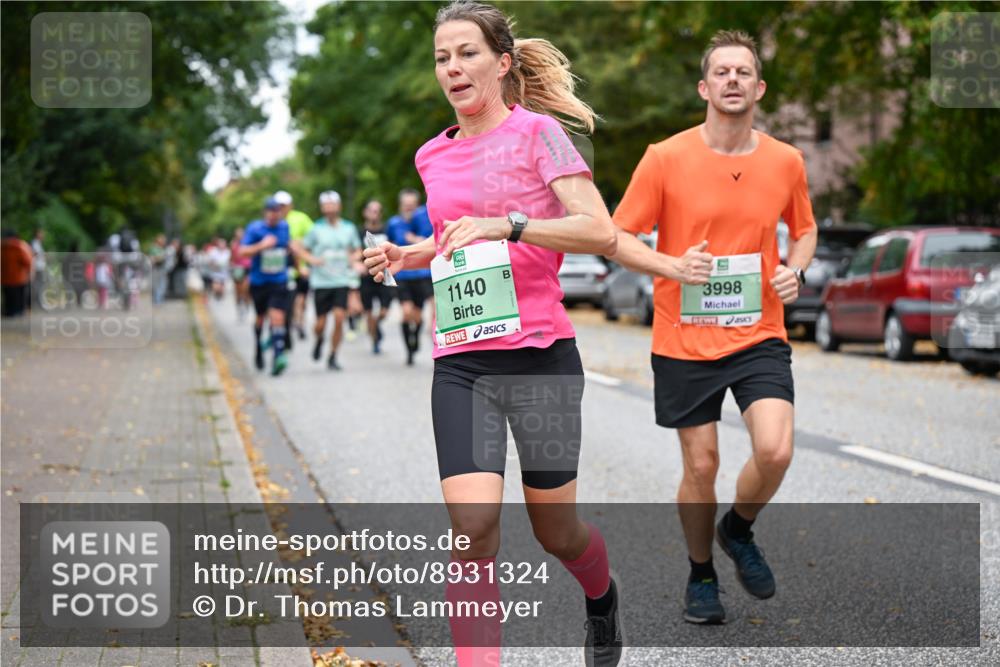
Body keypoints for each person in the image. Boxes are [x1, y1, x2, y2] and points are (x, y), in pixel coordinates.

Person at [364, 2, 622, 664]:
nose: (452, 67)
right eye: (442, 57)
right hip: (464, 365)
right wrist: (409, 254)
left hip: (541, 357)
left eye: (467, 53)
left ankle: (601, 597)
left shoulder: (540, 135)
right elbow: (458, 237)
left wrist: (510, 223)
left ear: (502, 63)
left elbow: (599, 230)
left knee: (557, 532)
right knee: (473, 529)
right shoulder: (431, 155)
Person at [608, 30, 818, 625]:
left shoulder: (786, 160)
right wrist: (671, 265)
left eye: (742, 72)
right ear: (704, 87)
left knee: (775, 450)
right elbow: (618, 238)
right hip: (683, 335)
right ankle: (701, 572)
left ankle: (738, 528)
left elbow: (804, 230)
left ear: (758, 87)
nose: (732, 80)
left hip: (758, 332)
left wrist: (796, 272)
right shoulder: (665, 157)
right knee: (701, 466)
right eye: (721, 71)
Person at [293, 191, 362, 370]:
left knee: (340, 318)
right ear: (322, 208)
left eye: (333, 204)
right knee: (320, 323)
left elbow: (357, 250)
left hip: (341, 280)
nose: (330, 208)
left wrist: (354, 259)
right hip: (321, 281)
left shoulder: (348, 227)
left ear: (339, 206)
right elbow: (301, 249)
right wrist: (311, 261)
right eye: (326, 205)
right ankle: (319, 339)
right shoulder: (316, 229)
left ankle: (332, 355)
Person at [240, 197, 295, 376]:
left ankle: (278, 357)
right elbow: (242, 251)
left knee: (277, 316)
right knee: (261, 318)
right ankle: (258, 345)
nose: (274, 214)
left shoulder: (284, 227)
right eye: (271, 210)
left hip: (279, 280)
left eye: (278, 210)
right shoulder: (255, 228)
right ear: (265, 212)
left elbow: (288, 246)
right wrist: (262, 246)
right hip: (259, 282)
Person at [386, 188, 435, 365]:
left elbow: (431, 241)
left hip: (422, 274)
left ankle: (415, 336)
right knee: (406, 312)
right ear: (401, 205)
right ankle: (409, 351)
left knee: (418, 316)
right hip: (402, 275)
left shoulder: (424, 218)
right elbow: (389, 244)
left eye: (412, 205)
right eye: (406, 205)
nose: (409, 209)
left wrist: (414, 238)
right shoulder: (393, 223)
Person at [274, 190, 315, 342]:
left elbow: (314, 236)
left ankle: (299, 321)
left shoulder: (300, 218)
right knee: (288, 301)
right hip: (282, 269)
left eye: (284, 205)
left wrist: (301, 245)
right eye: (278, 205)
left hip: (301, 267)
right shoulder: (273, 220)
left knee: (301, 300)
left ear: (290, 205)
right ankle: (289, 324)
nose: (281, 208)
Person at [358, 199, 395, 354]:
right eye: (371, 210)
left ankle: (377, 326)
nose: (374, 214)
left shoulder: (387, 229)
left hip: (385, 274)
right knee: (368, 312)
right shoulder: (359, 231)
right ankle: (375, 341)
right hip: (366, 277)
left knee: (383, 311)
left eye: (377, 211)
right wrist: (357, 264)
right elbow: (353, 251)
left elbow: (395, 248)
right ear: (365, 213)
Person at [1, 231, 33, 317]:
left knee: (8, 295)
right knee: (18, 296)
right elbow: (27, 261)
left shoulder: (2, 248)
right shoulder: (20, 247)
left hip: (5, 277)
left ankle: (8, 312)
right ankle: (18, 311)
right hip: (19, 277)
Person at [230, 227, 252, 319]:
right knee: (238, 290)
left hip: (248, 267)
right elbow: (232, 257)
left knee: (246, 288)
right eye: (238, 234)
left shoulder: (248, 242)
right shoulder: (234, 244)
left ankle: (246, 304)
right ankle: (239, 306)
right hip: (238, 268)